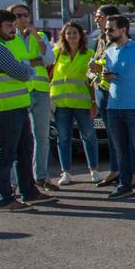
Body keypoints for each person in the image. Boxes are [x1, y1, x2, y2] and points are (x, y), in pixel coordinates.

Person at [0, 8, 58, 211]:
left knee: (24, 150)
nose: (13, 29)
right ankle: (4, 200)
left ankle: (28, 191)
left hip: (16, 107)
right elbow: (23, 73)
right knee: (5, 155)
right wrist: (27, 65)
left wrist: (23, 64)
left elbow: (23, 66)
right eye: (8, 26)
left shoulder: (3, 44)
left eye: (13, 25)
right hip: (3, 109)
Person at [101, 15, 135, 200]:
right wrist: (106, 77)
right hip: (114, 106)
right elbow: (108, 77)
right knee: (120, 148)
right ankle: (125, 184)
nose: (107, 32)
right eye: (107, 29)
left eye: (110, 29)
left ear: (123, 29)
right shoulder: (109, 51)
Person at [7, 3, 58, 192]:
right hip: (20, 91)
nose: (22, 19)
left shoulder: (41, 36)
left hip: (41, 89)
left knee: (42, 135)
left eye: (25, 15)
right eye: (18, 16)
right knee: (18, 138)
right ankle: (14, 181)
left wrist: (37, 37)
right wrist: (34, 61)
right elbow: (14, 63)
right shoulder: (9, 38)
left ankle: (41, 176)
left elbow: (49, 59)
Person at [50, 21, 102, 185]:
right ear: (63, 36)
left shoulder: (89, 54)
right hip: (60, 103)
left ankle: (94, 170)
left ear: (81, 36)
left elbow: (93, 80)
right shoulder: (57, 53)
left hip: (82, 102)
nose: (71, 36)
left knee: (88, 136)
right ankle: (66, 172)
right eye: (68, 33)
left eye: (75, 33)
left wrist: (94, 102)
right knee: (63, 138)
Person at [89, 5, 122, 187]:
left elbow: (118, 66)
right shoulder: (100, 38)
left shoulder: (118, 40)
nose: (96, 19)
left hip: (114, 92)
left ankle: (123, 171)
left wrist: (99, 68)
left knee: (118, 134)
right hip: (101, 89)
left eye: (100, 16)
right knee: (111, 134)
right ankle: (115, 170)